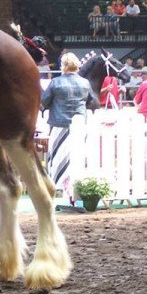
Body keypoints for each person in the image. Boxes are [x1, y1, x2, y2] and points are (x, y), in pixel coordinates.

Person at [41, 52, 94, 201]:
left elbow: (43, 103)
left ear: (63, 66)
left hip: (59, 125)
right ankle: (76, 193)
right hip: (79, 125)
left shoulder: (55, 82)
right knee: (78, 157)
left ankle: (58, 192)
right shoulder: (85, 82)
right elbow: (90, 101)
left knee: (58, 159)